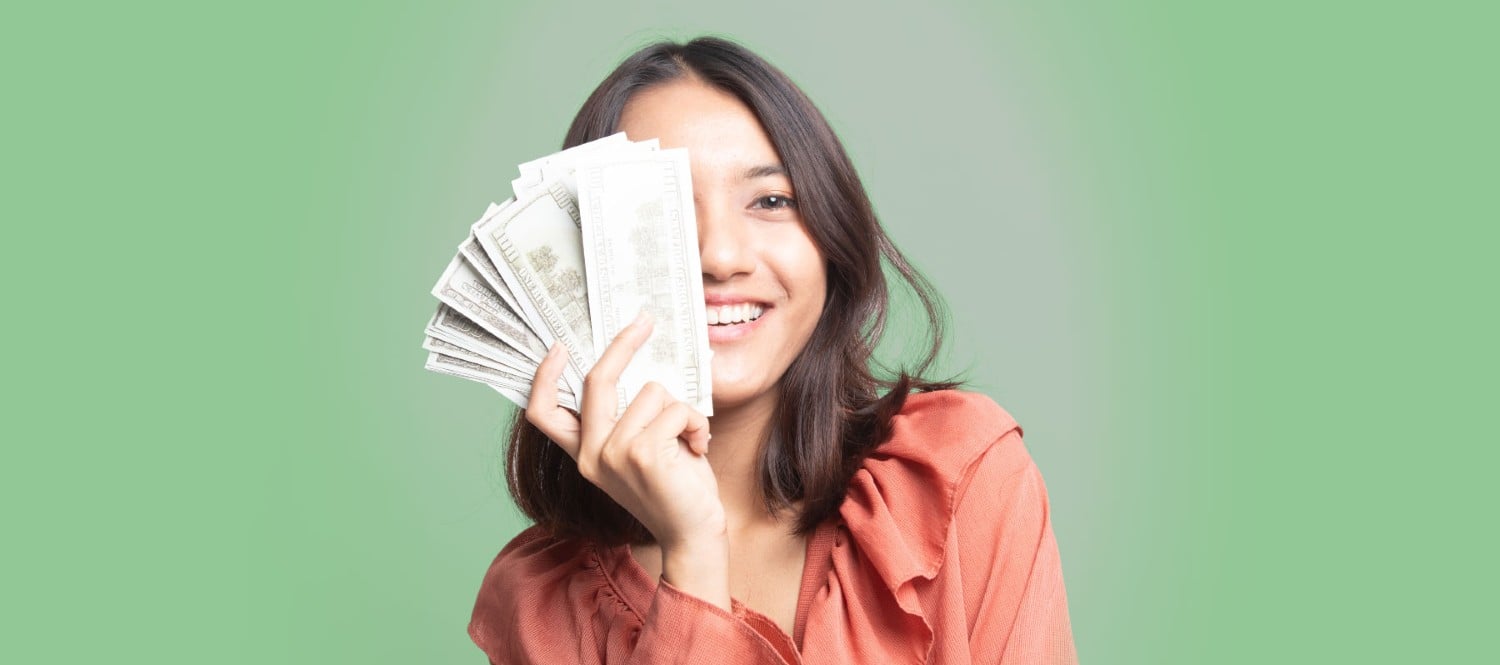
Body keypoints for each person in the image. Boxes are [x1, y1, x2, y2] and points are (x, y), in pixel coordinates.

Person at [468, 37, 1076, 664]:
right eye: (661, 212)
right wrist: (695, 553)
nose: (722, 257)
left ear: (830, 238)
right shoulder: (541, 608)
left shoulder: (956, 477)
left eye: (770, 201)